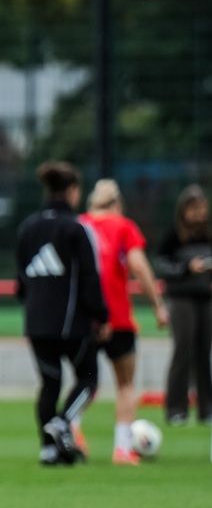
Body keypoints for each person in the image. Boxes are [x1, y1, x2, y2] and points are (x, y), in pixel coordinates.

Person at [15, 161, 109, 466]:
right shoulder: (77, 228)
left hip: (36, 323)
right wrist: (101, 316)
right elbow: (89, 277)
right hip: (71, 325)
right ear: (72, 191)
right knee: (90, 377)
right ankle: (64, 422)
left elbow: (20, 281)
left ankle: (48, 448)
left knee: (50, 384)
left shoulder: (27, 227)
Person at [80, 179, 169, 464]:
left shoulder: (79, 225)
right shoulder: (124, 227)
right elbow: (140, 267)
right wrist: (158, 306)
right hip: (117, 317)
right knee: (126, 384)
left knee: (85, 382)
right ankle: (122, 448)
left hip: (84, 319)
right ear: (117, 203)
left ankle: (71, 429)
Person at [153, 184, 212, 425]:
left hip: (206, 299)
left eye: (201, 208)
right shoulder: (174, 235)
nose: (198, 213)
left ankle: (206, 409)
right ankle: (176, 408)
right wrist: (187, 268)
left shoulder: (208, 233)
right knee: (182, 351)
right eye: (193, 208)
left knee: (204, 353)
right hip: (181, 299)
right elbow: (161, 265)